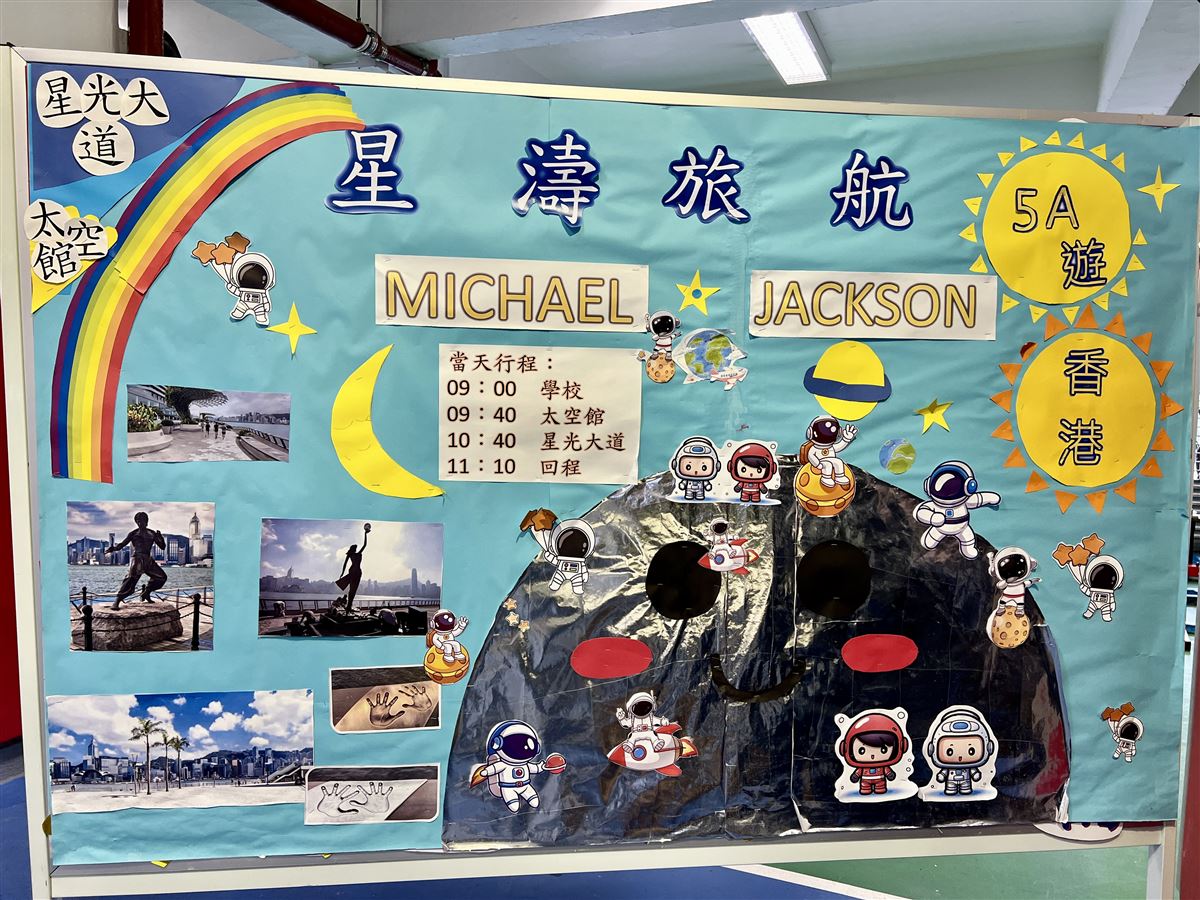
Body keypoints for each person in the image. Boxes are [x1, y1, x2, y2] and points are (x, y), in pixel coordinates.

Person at [105, 511, 167, 610]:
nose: (141, 523)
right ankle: (117, 601)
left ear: (147, 521)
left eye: (143, 520)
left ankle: (146, 592)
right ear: (136, 522)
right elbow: (122, 544)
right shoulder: (133, 533)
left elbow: (162, 547)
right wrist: (114, 548)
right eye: (138, 521)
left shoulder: (152, 533)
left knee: (161, 577)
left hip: (148, 560)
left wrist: (161, 539)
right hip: (137, 559)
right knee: (130, 581)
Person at [335, 523, 371, 610]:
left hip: (353, 572)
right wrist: (365, 535)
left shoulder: (352, 555)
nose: (356, 549)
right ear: (354, 549)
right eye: (355, 548)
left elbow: (345, 564)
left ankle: (349, 605)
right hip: (356, 572)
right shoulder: (357, 554)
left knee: (352, 590)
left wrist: (342, 573)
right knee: (353, 590)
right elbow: (365, 545)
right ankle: (349, 605)